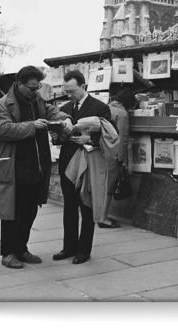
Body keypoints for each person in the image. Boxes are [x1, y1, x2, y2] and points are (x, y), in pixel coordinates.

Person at [0, 66, 73, 269]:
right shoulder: (4, 104)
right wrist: (32, 126)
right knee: (12, 213)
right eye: (32, 88)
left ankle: (22, 249)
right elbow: (2, 130)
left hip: (36, 166)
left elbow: (52, 110)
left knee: (29, 211)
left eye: (37, 88)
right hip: (14, 166)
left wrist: (66, 118)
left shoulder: (36, 100)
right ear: (19, 84)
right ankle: (8, 253)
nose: (36, 92)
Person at [52, 70, 112, 264]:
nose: (69, 95)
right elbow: (58, 137)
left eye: (72, 91)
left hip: (88, 162)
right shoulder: (64, 108)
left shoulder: (100, 107)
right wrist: (58, 136)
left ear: (83, 87)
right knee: (69, 206)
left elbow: (111, 133)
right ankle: (69, 247)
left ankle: (84, 250)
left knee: (86, 205)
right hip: (68, 161)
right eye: (66, 91)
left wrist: (90, 138)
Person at [98, 88, 137, 228]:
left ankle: (98, 214)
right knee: (109, 186)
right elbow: (122, 140)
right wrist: (123, 160)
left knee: (100, 185)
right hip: (112, 154)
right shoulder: (122, 114)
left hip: (100, 151)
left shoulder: (106, 108)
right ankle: (103, 218)